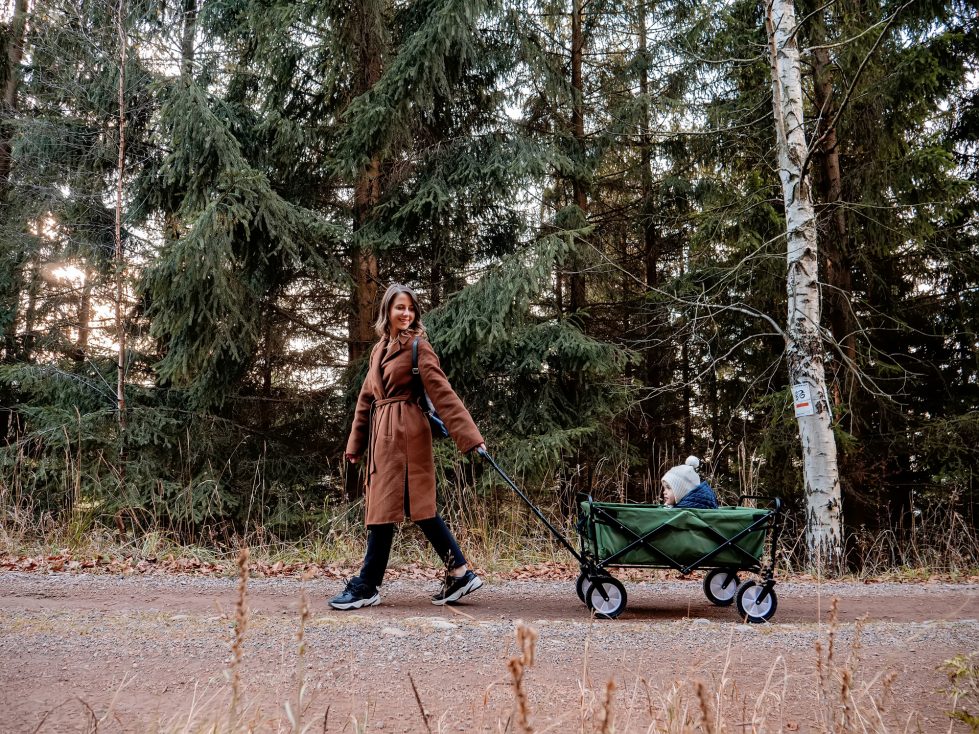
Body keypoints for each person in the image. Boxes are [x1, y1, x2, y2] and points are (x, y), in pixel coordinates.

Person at [329, 283, 486, 610]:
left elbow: (443, 394)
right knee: (401, 509)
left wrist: (470, 439)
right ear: (387, 310)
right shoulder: (377, 351)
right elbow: (365, 399)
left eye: (411, 308)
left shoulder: (418, 347)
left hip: (408, 435)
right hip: (381, 438)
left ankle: (368, 584)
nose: (406, 313)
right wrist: (354, 444)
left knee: (399, 508)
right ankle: (458, 571)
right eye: (400, 307)